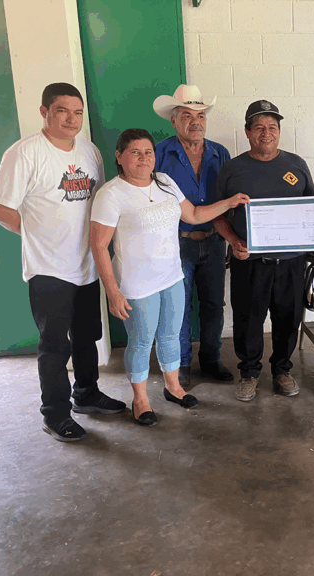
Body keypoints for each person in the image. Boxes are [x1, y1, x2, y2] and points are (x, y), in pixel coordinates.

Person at [0, 82, 126, 442]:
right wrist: (34, 234)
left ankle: (87, 394)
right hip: (48, 268)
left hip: (87, 264)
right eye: (62, 111)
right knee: (54, 346)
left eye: (77, 112)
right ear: (45, 112)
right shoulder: (25, 154)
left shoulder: (89, 151)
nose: (71, 119)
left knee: (87, 336)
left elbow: (100, 203)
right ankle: (55, 414)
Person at [90, 129, 248, 426]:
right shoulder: (110, 194)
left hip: (172, 276)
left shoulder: (164, 181)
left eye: (148, 152)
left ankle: (173, 387)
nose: (143, 158)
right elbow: (99, 246)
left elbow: (194, 215)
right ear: (119, 156)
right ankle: (140, 399)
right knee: (140, 342)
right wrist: (112, 292)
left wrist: (228, 203)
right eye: (135, 152)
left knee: (170, 335)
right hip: (137, 285)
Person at [212, 100, 314, 402]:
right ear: (247, 132)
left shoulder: (297, 165)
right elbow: (218, 216)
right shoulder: (232, 169)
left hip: (291, 263)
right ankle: (249, 373)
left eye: (272, 127)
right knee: (248, 320)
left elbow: (311, 210)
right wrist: (233, 241)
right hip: (249, 262)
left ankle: (282, 370)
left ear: (279, 132)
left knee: (288, 319)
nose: (266, 133)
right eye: (258, 127)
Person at [153, 84, 232, 390]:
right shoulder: (159, 154)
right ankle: (182, 363)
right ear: (174, 121)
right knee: (178, 306)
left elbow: (228, 200)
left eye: (200, 115)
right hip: (176, 242)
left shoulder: (220, 153)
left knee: (213, 305)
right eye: (186, 116)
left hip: (214, 240)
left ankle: (211, 359)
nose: (195, 122)